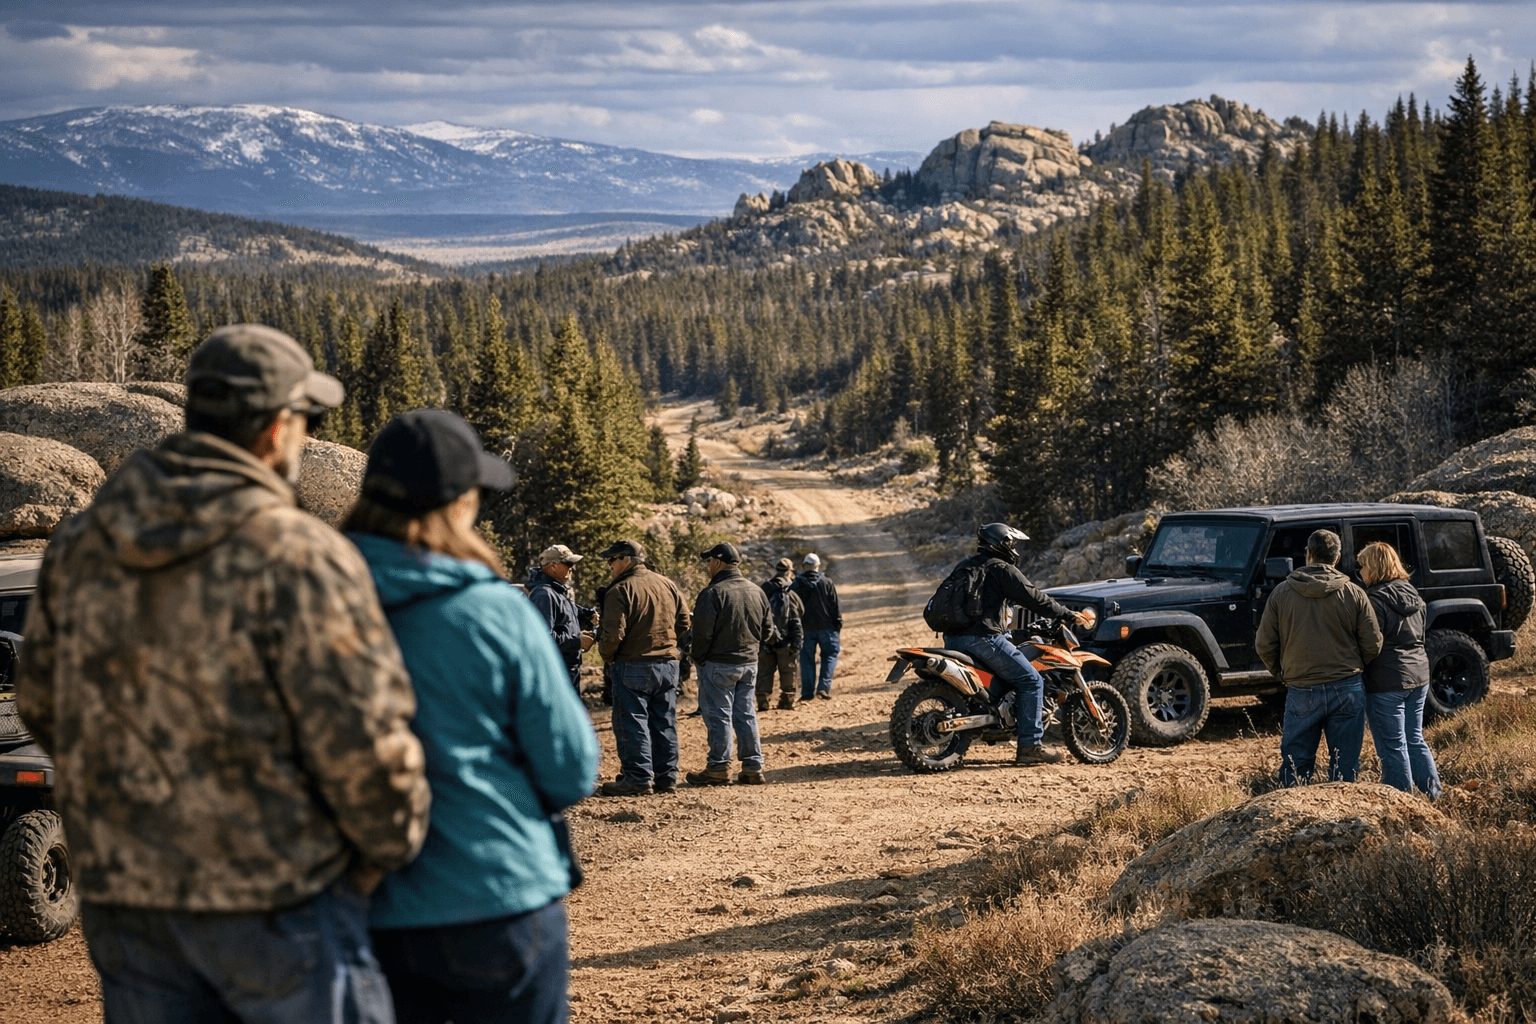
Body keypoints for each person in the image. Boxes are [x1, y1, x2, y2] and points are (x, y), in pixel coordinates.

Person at [15, 324, 430, 1023]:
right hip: (281, 898)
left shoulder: (85, 544)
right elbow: (367, 744)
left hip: (134, 900)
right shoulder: (299, 552)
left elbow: (43, 702)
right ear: (276, 428)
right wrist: (386, 851)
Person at [343, 409, 599, 1024]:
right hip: (499, 892)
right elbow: (570, 770)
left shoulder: (312, 604)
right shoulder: (494, 611)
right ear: (458, 504)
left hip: (363, 907)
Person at [938, 523, 1092, 765]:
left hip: (954, 639)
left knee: (1000, 679)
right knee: (1031, 680)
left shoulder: (965, 565)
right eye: (1012, 543)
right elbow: (1034, 598)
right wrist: (1067, 614)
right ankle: (1031, 747)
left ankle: (995, 718)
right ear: (1002, 544)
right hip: (984, 639)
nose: (1014, 549)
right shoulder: (1002, 569)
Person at [1257, 529, 1383, 787]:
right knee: (1345, 766)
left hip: (1301, 687)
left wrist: (1282, 672)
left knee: (1296, 765)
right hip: (1347, 686)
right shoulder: (1354, 593)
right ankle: (1344, 822)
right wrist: (1352, 665)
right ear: (1336, 559)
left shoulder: (1281, 593)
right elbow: (1373, 643)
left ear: (1309, 555)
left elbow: (1264, 644)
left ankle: (1295, 822)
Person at [596, 538, 691, 797]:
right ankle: (666, 776)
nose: (609, 565)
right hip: (668, 664)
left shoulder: (619, 590)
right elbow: (684, 622)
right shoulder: (667, 584)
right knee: (664, 721)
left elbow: (613, 633)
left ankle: (637, 777)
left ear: (626, 560)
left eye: (612, 559)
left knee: (632, 721)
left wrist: (607, 655)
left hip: (633, 664)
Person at [687, 543, 776, 786]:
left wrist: (699, 658)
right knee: (746, 714)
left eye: (709, 563)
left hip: (719, 663)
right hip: (749, 663)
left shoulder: (713, 592)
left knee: (719, 716)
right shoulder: (757, 591)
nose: (708, 567)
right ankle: (752, 766)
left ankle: (718, 767)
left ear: (718, 562)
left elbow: (702, 634)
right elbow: (768, 632)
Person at [1359, 541, 1442, 799]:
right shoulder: (1413, 594)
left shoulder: (1373, 600)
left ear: (1373, 567)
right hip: (1419, 675)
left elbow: (1371, 643)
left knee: (1393, 745)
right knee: (1414, 738)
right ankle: (1434, 794)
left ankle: (1401, 802)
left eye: (1361, 565)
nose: (1359, 571)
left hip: (1387, 680)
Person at [527, 543, 597, 692]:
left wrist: (585, 617)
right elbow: (543, 638)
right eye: (568, 563)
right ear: (553, 566)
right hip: (556, 673)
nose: (572, 568)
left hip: (566, 670)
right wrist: (577, 641)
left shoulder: (556, 591)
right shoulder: (544, 594)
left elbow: (565, 618)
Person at [791, 551, 843, 700]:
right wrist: (837, 625)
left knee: (806, 660)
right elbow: (835, 607)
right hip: (827, 628)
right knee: (830, 656)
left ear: (804, 566)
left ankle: (807, 693)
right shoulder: (827, 582)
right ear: (818, 566)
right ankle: (823, 688)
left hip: (805, 629)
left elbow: (792, 608)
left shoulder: (796, 584)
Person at [757, 557, 805, 711]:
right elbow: (799, 614)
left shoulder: (764, 588)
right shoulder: (792, 590)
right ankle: (787, 700)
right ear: (789, 571)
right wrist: (797, 642)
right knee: (788, 671)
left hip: (766, 638)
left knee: (764, 671)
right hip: (787, 640)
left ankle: (763, 700)